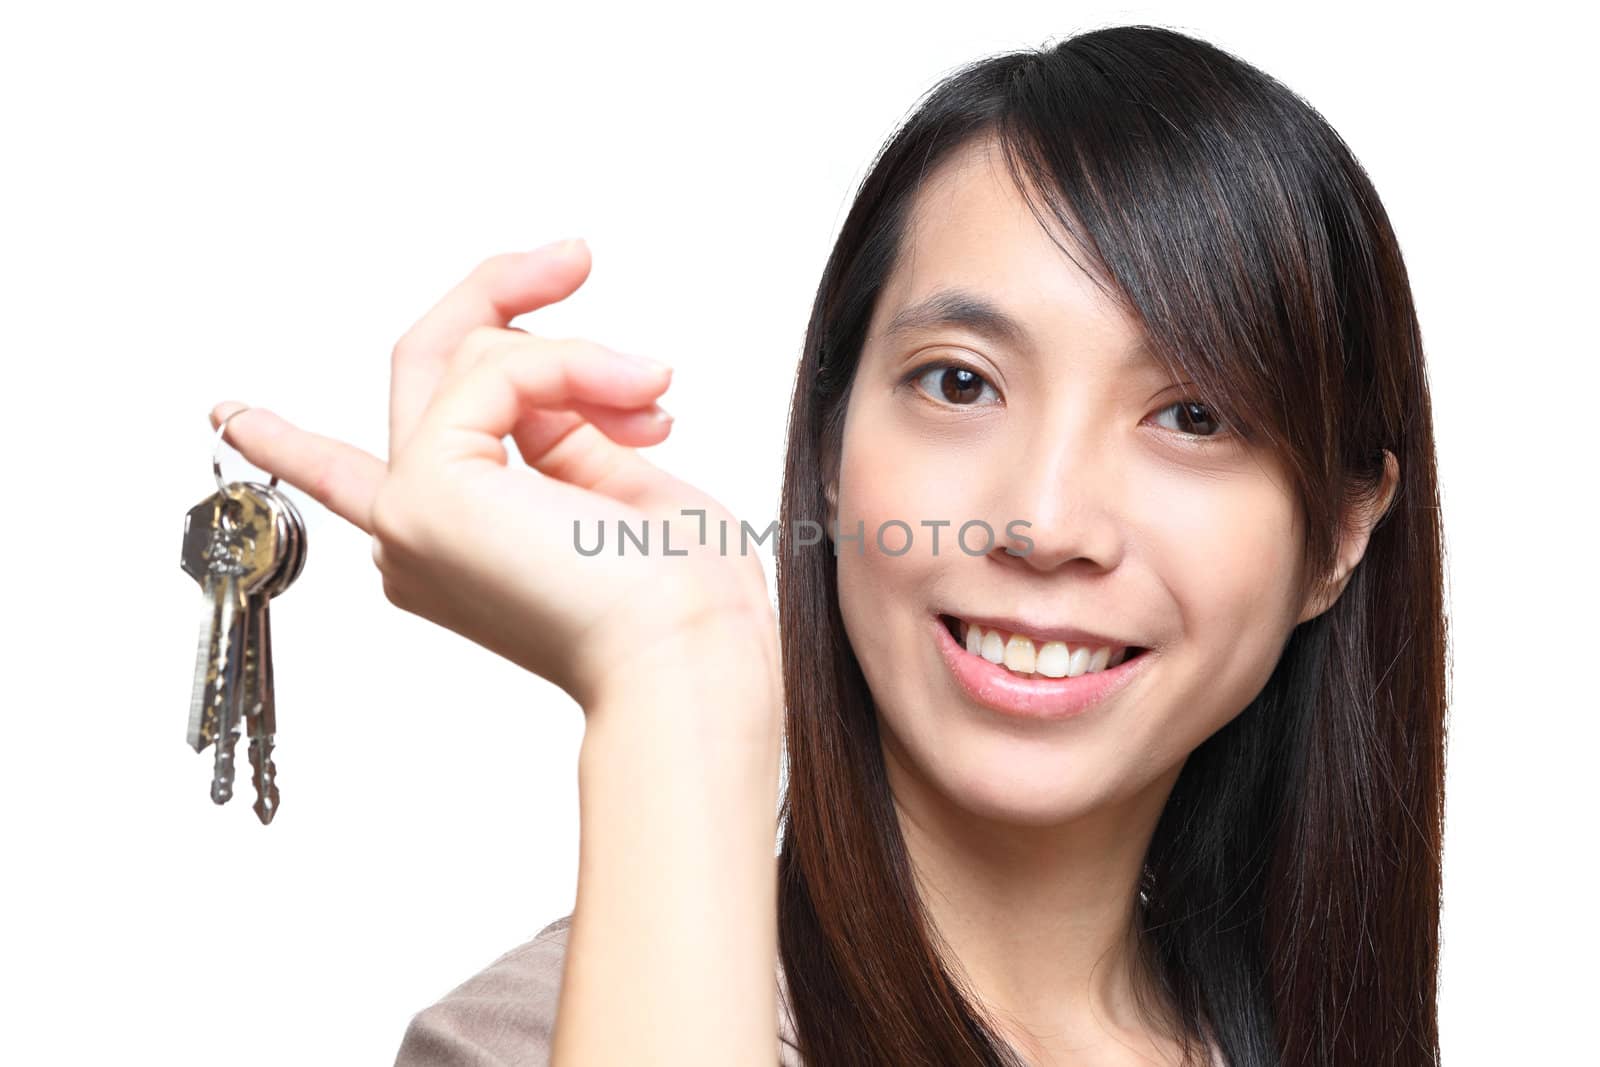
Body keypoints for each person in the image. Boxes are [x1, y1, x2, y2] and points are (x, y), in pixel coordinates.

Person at [215, 23, 1446, 1067]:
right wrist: (676, 676)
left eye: (1192, 415)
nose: (1045, 519)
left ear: (1338, 538)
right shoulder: (550, 1037)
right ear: (826, 442)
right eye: (960, 383)